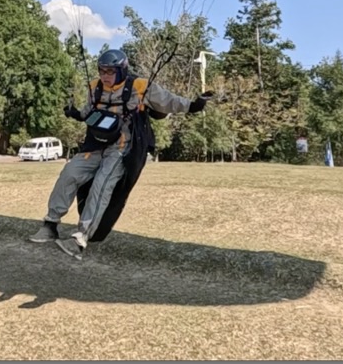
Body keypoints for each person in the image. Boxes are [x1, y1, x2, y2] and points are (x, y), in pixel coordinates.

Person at [28, 48, 212, 259]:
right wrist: (75, 114)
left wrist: (194, 105)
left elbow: (168, 101)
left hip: (122, 148)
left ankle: (80, 237)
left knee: (102, 184)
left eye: (110, 71)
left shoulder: (140, 87)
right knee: (69, 173)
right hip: (95, 145)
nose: (105, 76)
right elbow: (89, 111)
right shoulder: (95, 87)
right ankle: (50, 224)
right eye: (101, 71)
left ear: (122, 70)